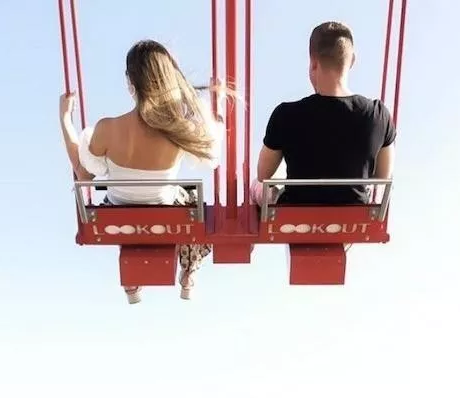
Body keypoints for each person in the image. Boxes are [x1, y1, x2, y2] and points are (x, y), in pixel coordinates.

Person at [59, 40, 223, 303]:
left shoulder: (106, 129)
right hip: (165, 210)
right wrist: (215, 110)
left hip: (119, 213)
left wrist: (65, 119)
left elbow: (83, 173)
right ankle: (189, 270)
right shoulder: (179, 130)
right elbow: (213, 154)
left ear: (129, 81)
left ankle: (133, 283)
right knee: (192, 204)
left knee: (128, 214)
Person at [252, 21, 396, 208]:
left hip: (297, 214)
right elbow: (383, 176)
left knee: (256, 185)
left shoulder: (285, 115)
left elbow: (264, 174)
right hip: (353, 214)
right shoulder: (378, 115)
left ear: (313, 63)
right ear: (352, 60)